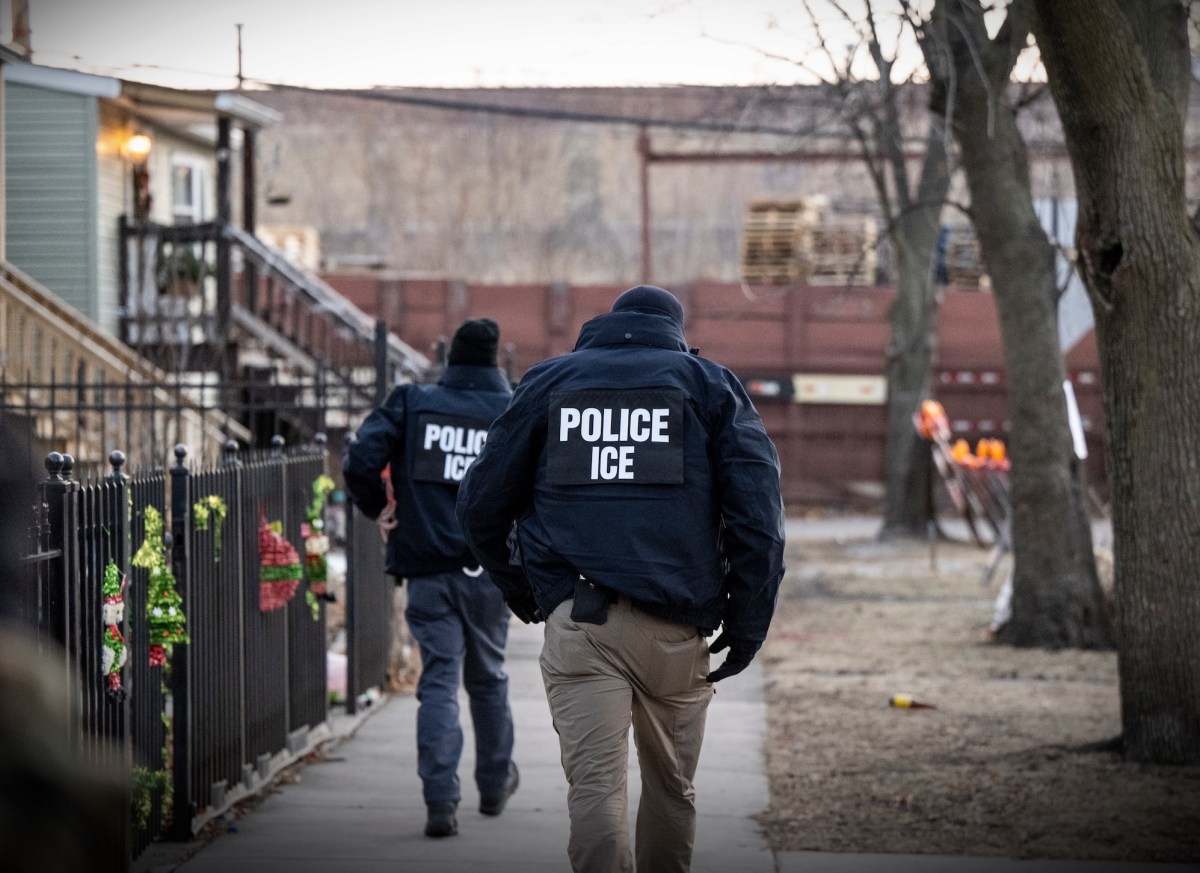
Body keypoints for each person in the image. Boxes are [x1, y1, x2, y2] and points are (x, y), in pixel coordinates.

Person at [456, 285, 786, 873]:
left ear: (608, 324)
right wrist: (748, 623)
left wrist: (526, 593)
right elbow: (757, 518)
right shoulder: (709, 386)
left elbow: (480, 503)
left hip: (581, 621)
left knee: (596, 794)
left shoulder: (550, 382)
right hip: (677, 630)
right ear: (676, 333)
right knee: (672, 792)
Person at [343, 318, 520, 839]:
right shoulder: (510, 411)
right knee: (488, 677)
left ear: (452, 362)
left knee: (439, 679)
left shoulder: (412, 402)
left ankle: (440, 800)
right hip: (491, 572)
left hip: (428, 569)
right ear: (492, 363)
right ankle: (493, 784)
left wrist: (380, 508)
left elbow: (360, 460)